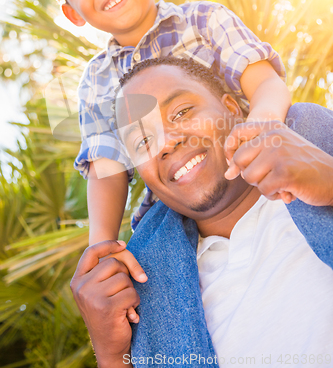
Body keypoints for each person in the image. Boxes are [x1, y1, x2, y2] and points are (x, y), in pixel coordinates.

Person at [47, 0, 291, 257]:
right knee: (151, 259)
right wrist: (102, 244)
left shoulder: (204, 20)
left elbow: (263, 80)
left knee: (306, 124)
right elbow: (107, 167)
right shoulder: (96, 80)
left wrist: (265, 120)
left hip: (249, 158)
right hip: (177, 202)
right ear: (72, 14)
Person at [71, 57, 333, 368]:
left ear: (232, 109)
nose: (167, 143)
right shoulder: (151, 287)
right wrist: (112, 354)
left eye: (181, 112)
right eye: (143, 141)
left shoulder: (317, 153)